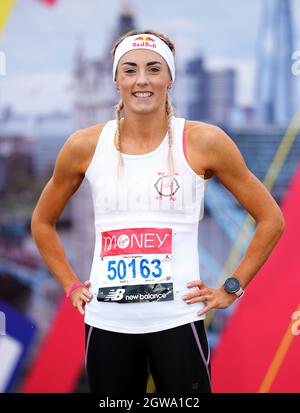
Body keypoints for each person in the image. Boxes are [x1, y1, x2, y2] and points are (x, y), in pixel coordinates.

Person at [31, 30, 285, 393]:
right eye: (130, 70)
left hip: (178, 323)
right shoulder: (84, 146)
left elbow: (271, 220)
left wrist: (232, 287)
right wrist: (71, 285)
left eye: (154, 68)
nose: (142, 80)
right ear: (116, 80)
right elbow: (41, 222)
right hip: (108, 325)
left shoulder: (204, 141)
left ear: (170, 78)